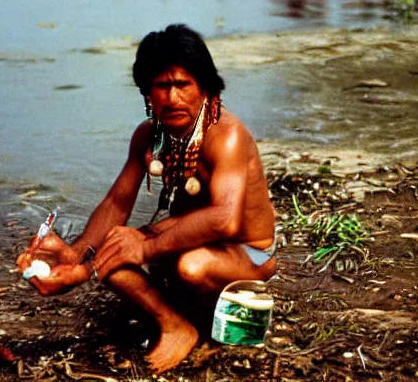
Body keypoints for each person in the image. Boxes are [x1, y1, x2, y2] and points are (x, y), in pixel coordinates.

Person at [17, 24, 277, 374]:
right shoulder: (148, 135)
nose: (172, 98)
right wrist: (76, 256)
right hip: (188, 238)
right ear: (146, 93)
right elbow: (116, 205)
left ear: (205, 87)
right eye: (162, 86)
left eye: (182, 85)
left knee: (190, 267)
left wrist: (147, 248)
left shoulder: (226, 136)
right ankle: (175, 324)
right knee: (112, 242)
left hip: (245, 252)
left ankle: (197, 314)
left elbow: (224, 220)